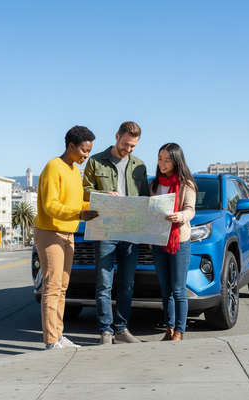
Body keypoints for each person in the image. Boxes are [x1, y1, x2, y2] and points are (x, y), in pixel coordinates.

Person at [83, 121, 150, 345]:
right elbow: (85, 191)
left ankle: (121, 329)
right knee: (104, 283)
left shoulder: (140, 165)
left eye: (133, 146)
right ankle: (105, 331)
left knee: (127, 284)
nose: (128, 149)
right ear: (117, 136)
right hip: (105, 229)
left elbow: (145, 198)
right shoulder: (95, 161)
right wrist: (105, 194)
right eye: (125, 144)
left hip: (130, 230)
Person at [33, 126, 99, 350]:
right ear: (71, 146)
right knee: (52, 286)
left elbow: (76, 204)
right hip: (50, 231)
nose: (86, 155)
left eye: (89, 151)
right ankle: (51, 341)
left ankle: (58, 336)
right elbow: (50, 206)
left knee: (62, 286)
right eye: (83, 150)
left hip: (68, 232)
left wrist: (102, 204)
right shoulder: (54, 167)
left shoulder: (73, 170)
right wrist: (79, 214)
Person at [150, 143, 197, 341]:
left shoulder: (187, 183)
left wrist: (180, 216)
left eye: (167, 159)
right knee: (165, 288)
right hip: (158, 240)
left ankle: (179, 331)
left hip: (179, 240)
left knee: (178, 289)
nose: (162, 163)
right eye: (160, 159)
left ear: (176, 161)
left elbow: (190, 209)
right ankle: (169, 329)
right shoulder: (154, 184)